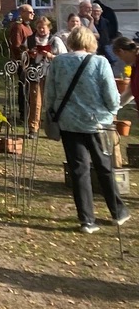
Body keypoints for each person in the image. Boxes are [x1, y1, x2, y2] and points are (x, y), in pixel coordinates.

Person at [44, 27, 130, 233]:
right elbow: (110, 95)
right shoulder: (100, 62)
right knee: (104, 167)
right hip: (97, 123)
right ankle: (117, 212)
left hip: (68, 123)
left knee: (78, 170)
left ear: (71, 41)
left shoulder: (58, 62)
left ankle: (87, 220)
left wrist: (54, 114)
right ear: (91, 42)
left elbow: (50, 93)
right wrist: (113, 110)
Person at [25, 16, 66, 138]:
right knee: (35, 102)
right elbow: (23, 54)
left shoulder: (55, 40)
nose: (41, 30)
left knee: (52, 102)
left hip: (51, 74)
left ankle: (54, 128)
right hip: (35, 74)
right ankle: (33, 129)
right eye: (38, 27)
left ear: (48, 27)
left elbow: (64, 58)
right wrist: (29, 53)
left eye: (43, 27)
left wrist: (50, 55)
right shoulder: (31, 39)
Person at [8, 4, 35, 122]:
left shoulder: (27, 26)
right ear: (22, 13)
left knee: (30, 88)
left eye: (33, 12)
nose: (32, 14)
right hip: (22, 62)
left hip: (30, 61)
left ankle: (30, 112)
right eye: (30, 12)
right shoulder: (18, 27)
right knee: (24, 88)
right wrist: (24, 58)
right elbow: (16, 46)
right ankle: (24, 114)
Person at [91, 3, 122, 76]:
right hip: (95, 47)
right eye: (94, 11)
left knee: (111, 62)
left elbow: (110, 33)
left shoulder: (106, 21)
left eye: (98, 11)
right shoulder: (89, 22)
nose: (96, 13)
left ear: (101, 12)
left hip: (106, 45)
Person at [112, 35, 139, 107]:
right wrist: (113, 107)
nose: (120, 59)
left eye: (119, 56)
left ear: (121, 51)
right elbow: (129, 93)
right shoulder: (134, 67)